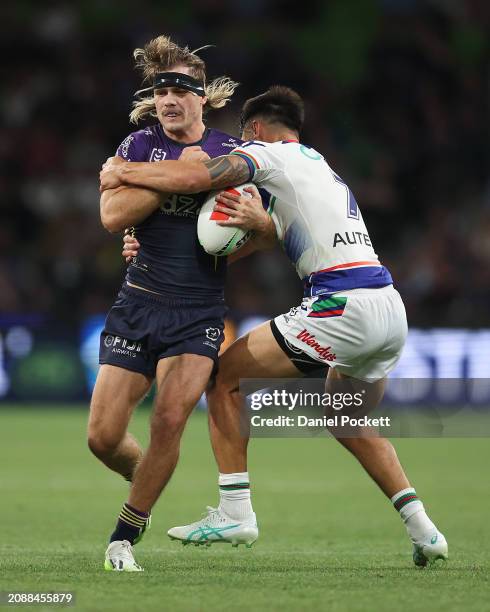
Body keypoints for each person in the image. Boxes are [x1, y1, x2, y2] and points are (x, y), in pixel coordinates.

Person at [104, 86, 448, 567]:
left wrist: (125, 171)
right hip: (388, 307)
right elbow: (261, 235)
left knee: (223, 379)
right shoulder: (320, 167)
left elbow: (198, 174)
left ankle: (235, 511)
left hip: (340, 304)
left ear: (257, 131)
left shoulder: (265, 155)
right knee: (347, 419)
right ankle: (424, 529)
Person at [89, 34, 243, 572]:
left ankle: (124, 536)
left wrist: (133, 178)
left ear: (204, 97)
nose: (169, 98)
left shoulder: (230, 153)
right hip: (138, 301)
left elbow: (259, 230)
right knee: (102, 437)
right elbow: (113, 218)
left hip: (198, 310)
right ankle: (151, 479)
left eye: (181, 88)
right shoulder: (138, 146)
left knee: (170, 419)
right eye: (161, 89)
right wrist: (173, 175)